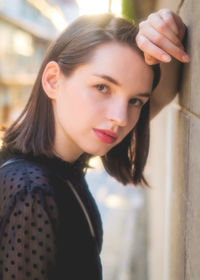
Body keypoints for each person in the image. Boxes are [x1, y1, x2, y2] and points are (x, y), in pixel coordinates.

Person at [0, 9, 189, 280]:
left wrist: (166, 31)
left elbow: (164, 92)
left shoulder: (56, 165)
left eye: (135, 100)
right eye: (102, 87)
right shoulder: (32, 191)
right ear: (53, 80)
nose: (120, 118)